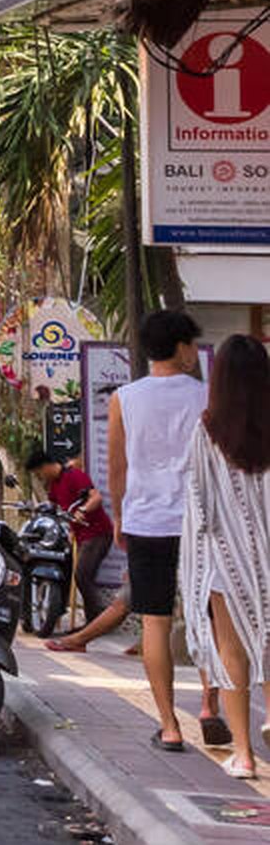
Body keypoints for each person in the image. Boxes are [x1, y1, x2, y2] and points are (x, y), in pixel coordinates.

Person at [49, 309, 226, 751]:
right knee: (210, 619)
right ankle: (209, 704)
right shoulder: (206, 398)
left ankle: (168, 725)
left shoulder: (125, 398)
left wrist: (123, 518)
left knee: (154, 621)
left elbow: (118, 466)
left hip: (147, 522)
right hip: (199, 523)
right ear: (184, 348)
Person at [186, 334, 270, 779]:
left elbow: (199, 500)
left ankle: (244, 755)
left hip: (226, 560)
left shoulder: (208, 429)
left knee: (231, 651)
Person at [27, 447, 114, 634]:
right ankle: (64, 613)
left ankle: (96, 622)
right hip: (80, 537)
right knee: (72, 573)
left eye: (39, 472)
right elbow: (56, 509)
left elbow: (96, 497)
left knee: (82, 575)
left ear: (46, 466)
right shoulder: (55, 486)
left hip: (97, 534)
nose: (40, 477)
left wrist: (82, 510)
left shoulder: (73, 475)